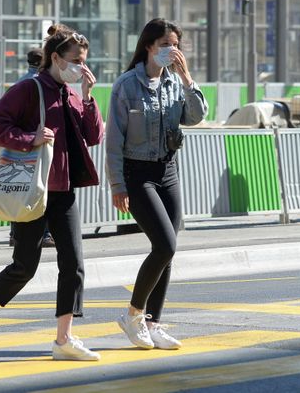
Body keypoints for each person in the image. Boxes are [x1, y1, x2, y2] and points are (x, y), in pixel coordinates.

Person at [0, 24, 104, 361]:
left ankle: (64, 339)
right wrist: (31, 139)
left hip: (64, 190)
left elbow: (94, 136)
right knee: (25, 265)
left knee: (74, 264)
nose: (81, 67)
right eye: (75, 61)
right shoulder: (30, 89)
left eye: (84, 61)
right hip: (33, 189)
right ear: (55, 57)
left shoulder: (71, 92)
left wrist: (88, 95)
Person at [106, 18, 208, 350]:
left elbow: (195, 117)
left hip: (168, 171)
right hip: (138, 175)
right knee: (164, 245)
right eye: (166, 44)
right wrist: (117, 185)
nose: (171, 50)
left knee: (167, 252)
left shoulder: (174, 83)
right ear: (149, 45)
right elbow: (114, 140)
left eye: (176, 45)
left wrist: (187, 78)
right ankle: (134, 315)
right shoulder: (127, 85)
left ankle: (153, 322)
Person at [11, 47, 55, 249]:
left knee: (20, 191)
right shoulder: (41, 85)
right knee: (39, 190)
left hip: (20, 145)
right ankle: (44, 233)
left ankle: (15, 233)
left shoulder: (19, 83)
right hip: (38, 146)